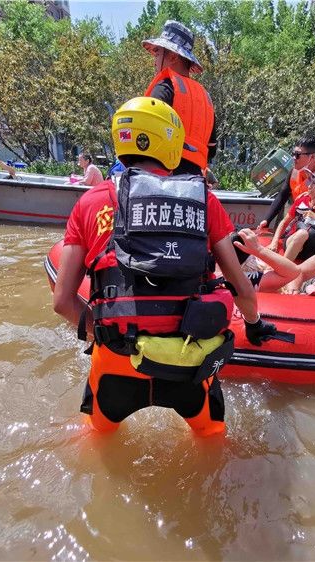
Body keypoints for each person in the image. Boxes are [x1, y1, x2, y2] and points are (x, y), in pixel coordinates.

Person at [53, 97, 277, 436]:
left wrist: (102, 333)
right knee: (212, 437)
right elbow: (241, 288)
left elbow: (61, 302)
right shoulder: (203, 199)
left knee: (95, 441)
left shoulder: (89, 202)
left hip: (116, 358)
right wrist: (255, 324)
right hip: (188, 357)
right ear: (169, 142)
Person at [143, 20, 217, 175]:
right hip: (194, 185)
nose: (154, 61)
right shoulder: (206, 98)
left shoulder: (164, 88)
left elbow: (144, 140)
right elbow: (211, 151)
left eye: (157, 53)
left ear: (173, 56)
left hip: (163, 183)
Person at [266, 167, 315, 261]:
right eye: (310, 182)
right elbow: (284, 222)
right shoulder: (302, 201)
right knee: (302, 234)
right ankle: (283, 267)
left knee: (303, 233)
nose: (309, 186)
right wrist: (274, 242)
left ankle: (282, 267)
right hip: (292, 241)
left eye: (314, 184)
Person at [257, 136, 315, 231]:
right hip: (296, 218)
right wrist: (266, 220)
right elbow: (282, 196)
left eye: (298, 155)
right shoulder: (293, 172)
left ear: (312, 157)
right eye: (293, 154)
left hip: (314, 226)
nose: (293, 158)